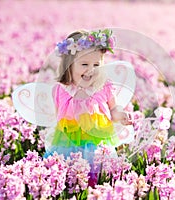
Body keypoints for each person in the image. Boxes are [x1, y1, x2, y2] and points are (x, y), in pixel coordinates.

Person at [43, 29, 132, 185]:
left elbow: (114, 109)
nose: (91, 69)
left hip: (97, 142)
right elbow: (59, 118)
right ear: (69, 66)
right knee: (70, 176)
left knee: (98, 173)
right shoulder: (61, 90)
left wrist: (121, 115)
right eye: (84, 64)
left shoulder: (104, 86)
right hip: (68, 143)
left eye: (96, 64)